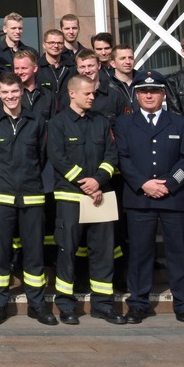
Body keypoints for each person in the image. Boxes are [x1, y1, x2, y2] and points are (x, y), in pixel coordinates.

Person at [112, 70, 184, 330]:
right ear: (137, 94)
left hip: (174, 198)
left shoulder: (180, 123)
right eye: (143, 91)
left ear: (163, 94)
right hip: (140, 198)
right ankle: (138, 303)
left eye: (154, 91)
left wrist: (170, 183)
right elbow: (122, 157)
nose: (149, 95)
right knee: (140, 254)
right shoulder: (124, 123)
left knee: (180, 254)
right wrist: (144, 183)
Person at [47, 75, 125, 325]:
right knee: (67, 250)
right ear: (72, 94)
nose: (92, 97)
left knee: (103, 251)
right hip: (71, 196)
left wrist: (98, 180)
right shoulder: (58, 124)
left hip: (99, 196)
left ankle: (103, 304)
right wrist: (85, 182)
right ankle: (66, 303)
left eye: (93, 93)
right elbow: (58, 158)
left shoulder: (101, 122)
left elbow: (111, 155)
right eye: (87, 93)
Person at [0, 73, 56, 325]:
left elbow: (43, 156)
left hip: (32, 195)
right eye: (5, 92)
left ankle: (37, 304)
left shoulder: (37, 121)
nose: (10, 96)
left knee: (34, 254)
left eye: (15, 92)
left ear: (22, 92)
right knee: (0, 253)